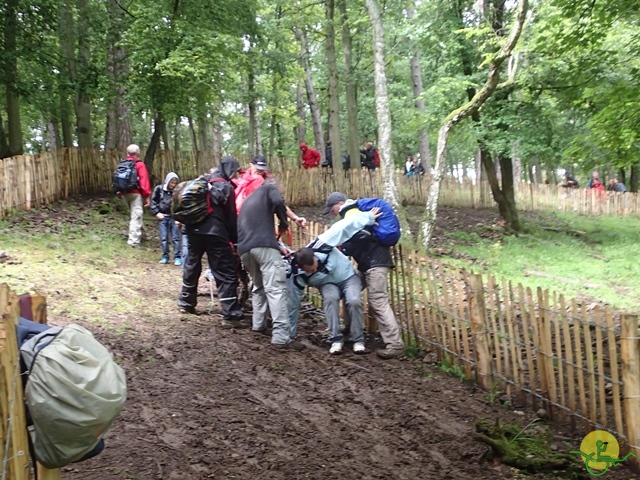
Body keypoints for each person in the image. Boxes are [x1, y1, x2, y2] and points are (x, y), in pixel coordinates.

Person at [322, 192, 405, 359]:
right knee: (349, 290)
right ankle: (351, 327)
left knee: (378, 300)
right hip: (366, 264)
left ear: (341, 203)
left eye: (333, 209)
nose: (334, 213)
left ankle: (395, 344)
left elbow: (359, 238)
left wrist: (345, 248)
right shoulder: (357, 216)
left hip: (376, 264)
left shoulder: (355, 215)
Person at [288, 213, 376, 355]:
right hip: (327, 284)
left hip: (347, 277)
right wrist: (289, 334)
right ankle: (335, 339)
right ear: (301, 267)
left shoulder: (323, 245)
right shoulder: (298, 275)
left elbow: (343, 226)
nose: (314, 270)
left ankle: (358, 339)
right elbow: (292, 303)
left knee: (354, 300)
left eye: (315, 265)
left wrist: (368, 217)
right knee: (330, 299)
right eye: (310, 270)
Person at [237, 178, 305, 352]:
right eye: (281, 191)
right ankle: (281, 337)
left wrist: (278, 247)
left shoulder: (249, 200)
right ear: (276, 187)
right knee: (276, 289)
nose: (281, 195)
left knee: (259, 286)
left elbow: (255, 230)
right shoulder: (269, 189)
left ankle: (258, 325)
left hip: (245, 250)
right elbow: (278, 201)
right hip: (263, 246)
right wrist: (284, 222)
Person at [177, 156, 244, 324]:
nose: (235, 175)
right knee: (225, 270)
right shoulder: (226, 187)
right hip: (215, 233)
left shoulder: (204, 182)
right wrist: (234, 240)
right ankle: (231, 314)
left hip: (193, 230)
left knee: (192, 264)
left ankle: (186, 303)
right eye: (234, 171)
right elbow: (230, 217)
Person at [121, 144, 151, 247]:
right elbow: (144, 181)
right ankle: (133, 242)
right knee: (136, 216)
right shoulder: (139, 164)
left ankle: (142, 235)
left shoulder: (123, 163)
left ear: (127, 153)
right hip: (136, 193)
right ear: (138, 153)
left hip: (124, 193)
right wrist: (147, 195)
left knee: (135, 215)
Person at [150, 172, 182, 266]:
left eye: (175, 183)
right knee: (164, 238)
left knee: (176, 238)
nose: (173, 185)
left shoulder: (177, 192)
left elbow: (179, 205)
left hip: (173, 217)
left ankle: (177, 257)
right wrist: (156, 212)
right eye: (171, 182)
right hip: (162, 217)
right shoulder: (159, 189)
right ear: (167, 181)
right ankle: (165, 256)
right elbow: (153, 202)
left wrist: (179, 218)